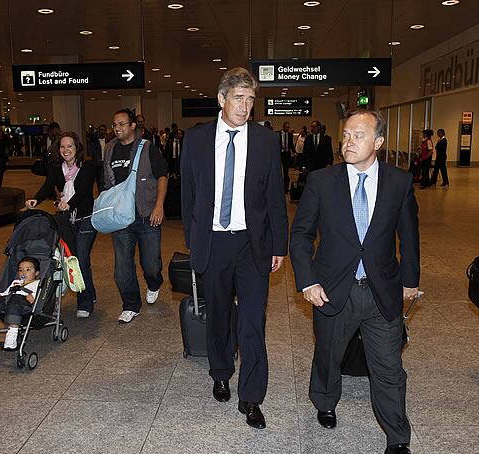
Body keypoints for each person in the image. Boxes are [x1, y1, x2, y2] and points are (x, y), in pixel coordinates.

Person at [289, 109, 423, 454]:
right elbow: (301, 235)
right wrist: (307, 280)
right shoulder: (321, 181)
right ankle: (325, 400)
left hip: (382, 289)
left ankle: (398, 444)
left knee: (390, 369)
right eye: (346, 135)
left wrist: (410, 280)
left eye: (358, 135)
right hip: (333, 289)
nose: (348, 142)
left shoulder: (398, 182)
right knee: (329, 354)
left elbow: (408, 236)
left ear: (378, 142)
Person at [181, 67, 288, 429]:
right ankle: (221, 370)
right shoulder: (195, 140)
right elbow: (188, 196)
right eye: (239, 99)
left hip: (251, 243)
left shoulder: (265, 141)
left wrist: (279, 244)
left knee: (253, 320)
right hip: (212, 241)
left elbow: (275, 195)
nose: (245, 107)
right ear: (221, 99)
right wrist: (193, 241)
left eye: (251, 100)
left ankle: (252, 396)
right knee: (220, 314)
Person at [102, 109, 169, 324]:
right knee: (122, 266)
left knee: (151, 264)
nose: (117, 128)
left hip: (146, 215)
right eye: (115, 124)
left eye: (122, 124)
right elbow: (106, 182)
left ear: (133, 126)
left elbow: (162, 176)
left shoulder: (147, 147)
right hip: (121, 218)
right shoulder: (110, 149)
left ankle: (153, 282)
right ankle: (130, 305)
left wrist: (159, 206)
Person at [26, 131, 97, 318]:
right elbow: (48, 185)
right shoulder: (57, 168)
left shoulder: (87, 166)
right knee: (72, 259)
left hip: (86, 220)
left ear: (77, 148)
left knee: (81, 259)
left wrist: (69, 204)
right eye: (62, 146)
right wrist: (36, 199)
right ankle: (90, 292)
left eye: (70, 146)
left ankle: (85, 302)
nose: (66, 150)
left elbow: (82, 192)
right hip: (66, 221)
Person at [278, 121, 294, 192]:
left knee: (286, 171)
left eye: (288, 127)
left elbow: (291, 145)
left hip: (286, 155)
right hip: (279, 154)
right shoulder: (277, 134)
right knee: (277, 171)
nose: (288, 128)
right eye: (286, 127)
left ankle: (286, 188)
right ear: (283, 127)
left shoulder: (290, 135)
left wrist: (294, 152)